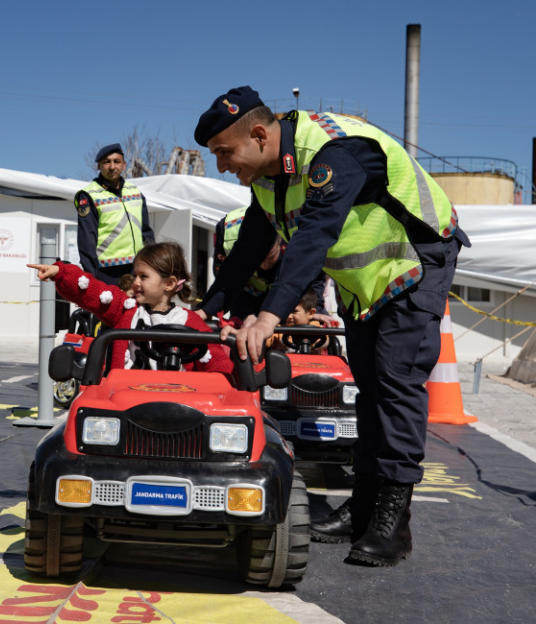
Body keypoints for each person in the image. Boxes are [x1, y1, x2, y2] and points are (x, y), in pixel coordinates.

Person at [194, 86, 470, 567]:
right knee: (370, 387)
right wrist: (207, 313)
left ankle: (392, 524)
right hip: (368, 279)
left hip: (418, 259)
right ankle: (361, 511)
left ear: (259, 134)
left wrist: (268, 314)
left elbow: (314, 236)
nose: (221, 165)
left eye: (224, 153)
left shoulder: (334, 153)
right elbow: (248, 251)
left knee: (395, 386)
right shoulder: (266, 174)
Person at [28, 241, 232, 375]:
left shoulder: (191, 322)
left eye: (143, 277)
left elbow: (215, 364)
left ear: (169, 284)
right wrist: (61, 272)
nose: (135, 282)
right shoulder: (126, 310)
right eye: (135, 275)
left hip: (178, 400)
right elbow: (92, 291)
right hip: (125, 399)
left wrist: (236, 381)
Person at [75, 143, 155, 286]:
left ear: (124, 165)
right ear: (99, 166)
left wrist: (153, 262)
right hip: (106, 272)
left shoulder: (135, 192)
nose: (112, 167)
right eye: (107, 162)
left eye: (116, 161)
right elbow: (87, 239)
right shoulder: (88, 195)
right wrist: (91, 277)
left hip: (137, 268)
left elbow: (146, 232)